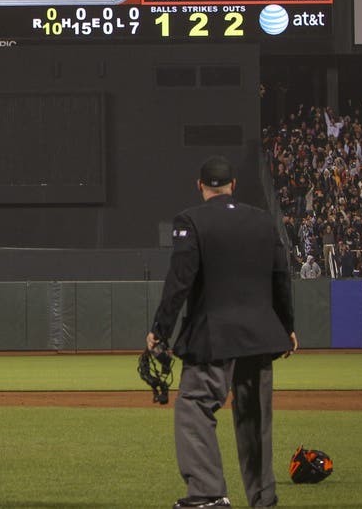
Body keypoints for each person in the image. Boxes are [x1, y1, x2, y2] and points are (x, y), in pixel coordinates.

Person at [147, 156, 298, 509]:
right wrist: (287, 327)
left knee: (195, 406)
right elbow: (281, 276)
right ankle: (264, 499)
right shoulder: (263, 221)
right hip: (261, 336)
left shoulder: (192, 220)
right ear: (233, 186)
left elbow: (179, 282)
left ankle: (208, 494)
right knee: (255, 419)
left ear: (200, 186)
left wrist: (160, 330)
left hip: (213, 336)